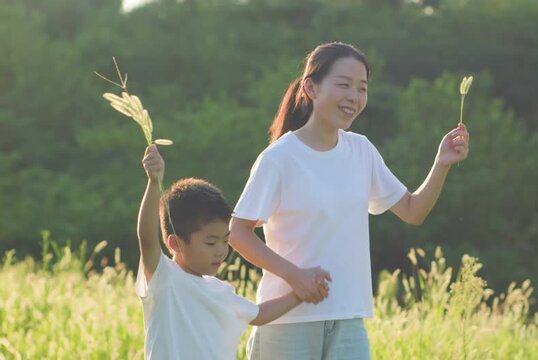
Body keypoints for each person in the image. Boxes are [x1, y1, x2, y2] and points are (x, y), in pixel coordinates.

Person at [228, 42, 470, 359]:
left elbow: (413, 211)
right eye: (343, 85)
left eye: (362, 88)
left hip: (348, 318)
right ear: (311, 88)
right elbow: (237, 232)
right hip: (287, 321)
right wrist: (295, 276)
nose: (354, 97)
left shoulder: (362, 151)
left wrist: (441, 164)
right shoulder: (279, 158)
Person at [134, 144, 330, 360]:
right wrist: (154, 183)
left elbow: (260, 314)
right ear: (175, 244)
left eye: (225, 241)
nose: (220, 251)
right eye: (210, 243)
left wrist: (300, 293)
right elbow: (146, 238)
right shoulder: (165, 279)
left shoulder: (221, 291)